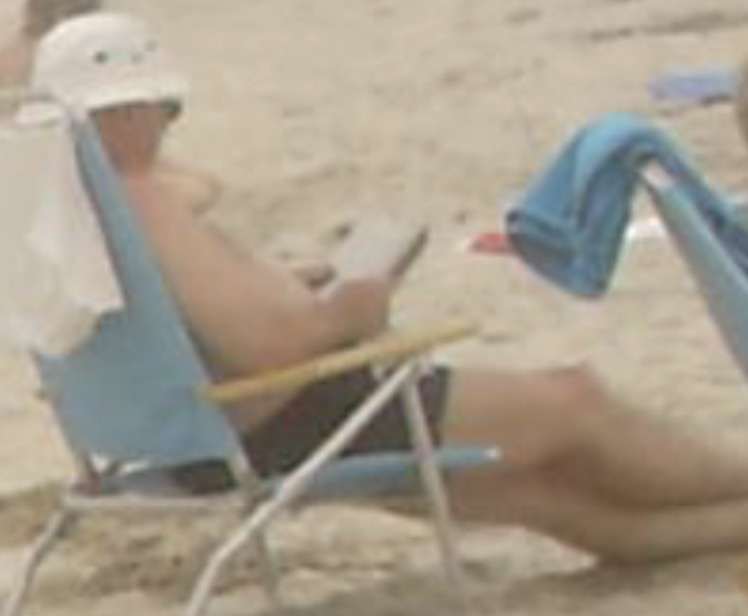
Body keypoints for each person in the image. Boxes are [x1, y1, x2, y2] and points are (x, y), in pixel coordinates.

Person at [31, 12, 748, 565]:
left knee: (550, 496)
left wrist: (276, 284)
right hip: (291, 424)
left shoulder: (60, 208)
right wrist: (353, 308)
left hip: (183, 442)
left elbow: (195, 304)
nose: (167, 125)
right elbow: (274, 346)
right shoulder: (139, 199)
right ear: (131, 110)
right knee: (575, 403)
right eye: (164, 107)